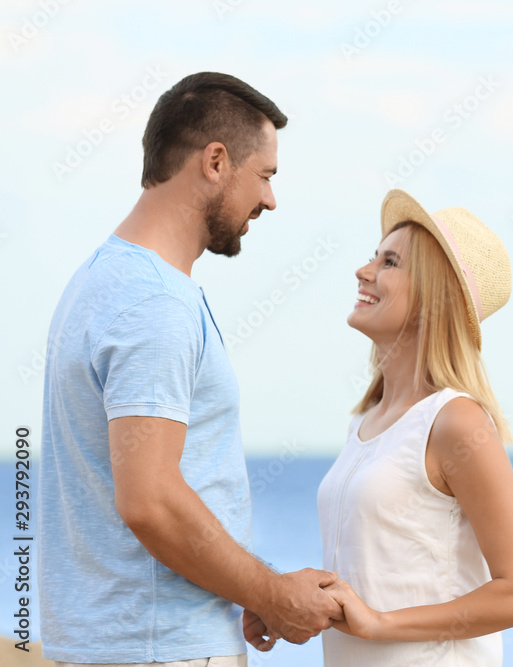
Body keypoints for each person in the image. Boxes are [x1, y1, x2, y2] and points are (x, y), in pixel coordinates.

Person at [39, 72, 342, 667]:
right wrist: (273, 595)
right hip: (159, 649)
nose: (270, 200)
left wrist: (242, 585)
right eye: (265, 176)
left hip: (117, 643)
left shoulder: (101, 281)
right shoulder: (155, 302)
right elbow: (150, 500)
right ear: (216, 161)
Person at [315, 189, 513, 664]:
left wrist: (380, 624)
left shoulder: (456, 421)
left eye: (389, 263)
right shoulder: (366, 421)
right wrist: (294, 606)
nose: (363, 271)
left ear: (432, 299)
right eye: (373, 257)